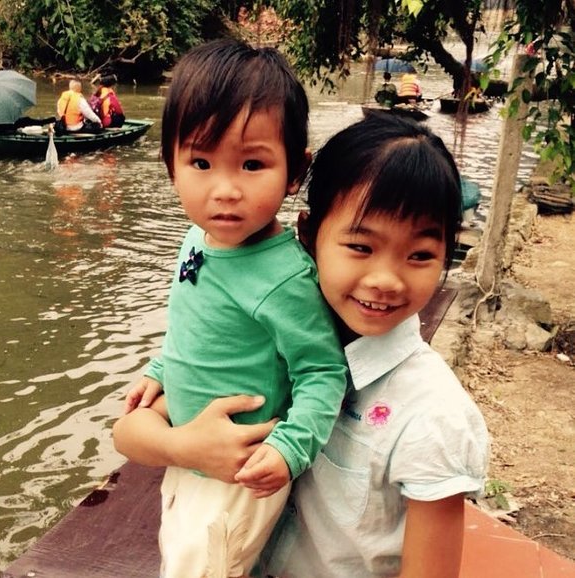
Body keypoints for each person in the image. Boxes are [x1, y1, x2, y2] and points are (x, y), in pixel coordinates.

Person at [113, 114, 490, 578]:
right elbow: (129, 430)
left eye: (420, 256)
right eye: (360, 246)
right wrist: (181, 445)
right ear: (308, 235)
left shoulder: (433, 417)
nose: (385, 280)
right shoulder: (263, 337)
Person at [119, 38, 348, 578]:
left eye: (251, 164)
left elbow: (321, 370)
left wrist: (290, 448)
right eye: (200, 161)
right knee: (176, 551)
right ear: (170, 164)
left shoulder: (285, 277)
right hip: (191, 452)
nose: (224, 191)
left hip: (237, 475)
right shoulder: (197, 238)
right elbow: (193, 319)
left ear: (295, 171)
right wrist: (163, 367)